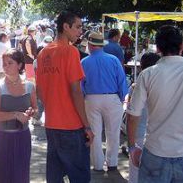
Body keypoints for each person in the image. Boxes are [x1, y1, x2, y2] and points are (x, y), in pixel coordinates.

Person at [126, 25, 183, 183]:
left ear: (158, 48)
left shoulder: (147, 74)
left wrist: (132, 147)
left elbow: (132, 117)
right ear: (182, 46)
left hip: (155, 152)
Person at [36, 11, 93, 183]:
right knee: (80, 176)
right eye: (77, 27)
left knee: (54, 176)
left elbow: (39, 91)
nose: (80, 32)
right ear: (65, 27)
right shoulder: (70, 51)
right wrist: (87, 126)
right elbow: (76, 91)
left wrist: (53, 107)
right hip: (71, 125)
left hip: (52, 124)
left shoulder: (43, 53)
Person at [81, 32, 128, 172]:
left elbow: (80, 85)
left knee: (94, 132)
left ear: (90, 45)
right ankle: (112, 163)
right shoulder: (113, 60)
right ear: (102, 45)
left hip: (91, 99)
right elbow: (122, 81)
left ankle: (97, 165)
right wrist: (120, 98)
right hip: (112, 97)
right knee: (113, 132)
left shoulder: (83, 62)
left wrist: (85, 97)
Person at [0, 49, 37, 183]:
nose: (5, 66)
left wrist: (31, 112)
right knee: (3, 173)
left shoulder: (29, 86)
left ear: (20, 65)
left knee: (21, 173)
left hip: (23, 135)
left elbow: (35, 108)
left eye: (10, 63)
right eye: (4, 64)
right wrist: (16, 115)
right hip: (4, 137)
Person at [127, 52, 160, 183]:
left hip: (138, 134)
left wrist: (131, 145)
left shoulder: (135, 86)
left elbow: (131, 116)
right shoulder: (161, 86)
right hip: (154, 136)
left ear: (141, 66)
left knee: (135, 171)